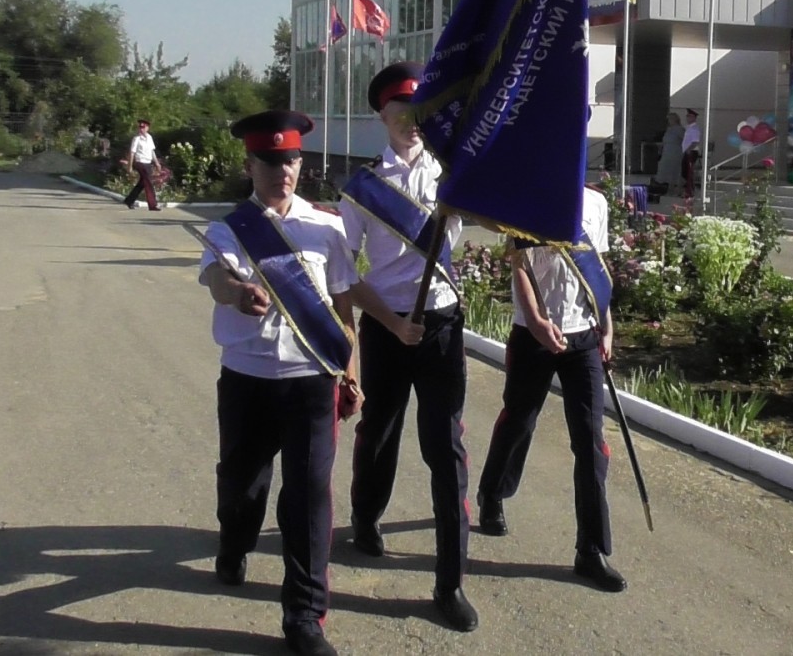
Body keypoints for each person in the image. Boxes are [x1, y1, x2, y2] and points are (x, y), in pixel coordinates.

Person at [198, 109, 362, 656]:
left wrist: (351, 372)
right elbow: (216, 279)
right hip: (247, 379)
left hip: (311, 380)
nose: (282, 169)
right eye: (270, 160)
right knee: (243, 486)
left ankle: (305, 617)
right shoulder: (229, 229)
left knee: (309, 496)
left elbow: (342, 305)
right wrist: (236, 292)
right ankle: (235, 542)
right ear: (250, 165)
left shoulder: (326, 227)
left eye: (289, 159)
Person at [340, 62, 477, 632]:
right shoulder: (364, 187)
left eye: (418, 109)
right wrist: (391, 327)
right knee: (380, 432)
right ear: (382, 114)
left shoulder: (452, 175)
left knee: (445, 449)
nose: (410, 120)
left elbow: (465, 242)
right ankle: (366, 515)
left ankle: (450, 583)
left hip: (441, 326)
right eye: (400, 109)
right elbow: (344, 275)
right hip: (388, 326)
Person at [476, 185, 627, 593]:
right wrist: (537, 321)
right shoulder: (530, 195)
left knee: (591, 442)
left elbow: (598, 269)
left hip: (584, 338)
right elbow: (519, 265)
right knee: (520, 421)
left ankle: (590, 550)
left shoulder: (596, 202)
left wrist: (607, 324)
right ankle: (493, 493)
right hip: (534, 334)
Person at [122, 119, 163, 211]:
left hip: (148, 163)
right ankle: (153, 205)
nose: (141, 129)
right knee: (148, 182)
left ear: (147, 128)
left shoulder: (149, 138)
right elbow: (132, 153)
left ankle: (129, 200)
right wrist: (130, 166)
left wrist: (157, 163)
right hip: (140, 162)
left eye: (143, 127)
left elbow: (152, 151)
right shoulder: (136, 139)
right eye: (139, 127)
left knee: (142, 183)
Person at [653, 111, 684, 195]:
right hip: (667, 151)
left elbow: (684, 140)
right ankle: (667, 187)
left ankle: (674, 188)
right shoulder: (669, 129)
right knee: (664, 168)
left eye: (670, 119)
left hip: (675, 151)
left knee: (673, 170)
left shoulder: (679, 129)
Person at [680, 108, 703, 195]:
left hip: (691, 152)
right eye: (687, 116)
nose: (687, 118)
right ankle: (689, 189)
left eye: (689, 116)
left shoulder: (695, 128)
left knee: (689, 172)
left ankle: (690, 191)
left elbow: (695, 141)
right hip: (687, 152)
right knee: (685, 172)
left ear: (694, 118)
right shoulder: (688, 128)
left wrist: (688, 150)